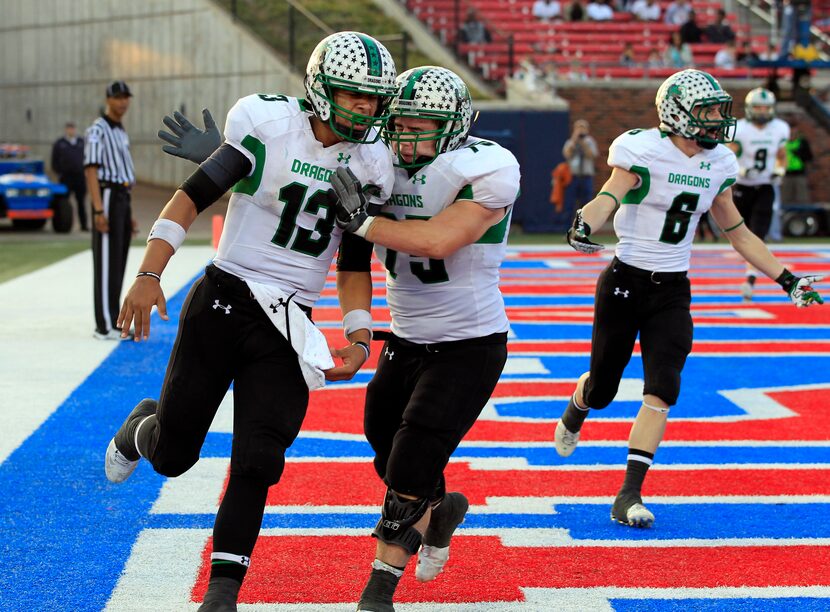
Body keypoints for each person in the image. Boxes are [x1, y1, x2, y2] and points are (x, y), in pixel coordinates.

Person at [103, 31, 399, 612]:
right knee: (174, 456)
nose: (366, 109)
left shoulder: (374, 161)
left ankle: (222, 591)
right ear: (320, 90)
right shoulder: (266, 124)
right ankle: (142, 428)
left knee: (260, 459)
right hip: (225, 298)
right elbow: (189, 198)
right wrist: (148, 274)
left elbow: (356, 264)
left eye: (374, 98)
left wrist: (360, 335)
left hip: (289, 320)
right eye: (354, 95)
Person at [556, 69, 823, 529]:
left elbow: (737, 232)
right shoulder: (642, 149)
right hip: (625, 282)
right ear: (677, 115)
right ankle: (578, 404)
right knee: (603, 389)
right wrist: (584, 221)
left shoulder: (717, 163)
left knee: (664, 386)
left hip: (673, 290)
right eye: (709, 111)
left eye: (721, 110)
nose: (719, 120)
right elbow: (609, 197)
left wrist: (786, 278)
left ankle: (629, 493)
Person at [329, 65, 521, 612]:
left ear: (454, 126)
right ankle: (442, 511)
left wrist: (363, 221)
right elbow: (352, 263)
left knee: (412, 456)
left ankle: (380, 586)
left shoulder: (482, 166)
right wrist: (359, 332)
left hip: (470, 341)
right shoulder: (375, 162)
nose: (409, 137)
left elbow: (439, 240)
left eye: (424, 126)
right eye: (402, 125)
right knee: (385, 451)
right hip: (405, 337)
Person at [84, 81, 138, 340]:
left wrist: (129, 212)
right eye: (118, 97)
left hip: (122, 197)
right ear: (108, 99)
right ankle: (104, 325)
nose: (123, 102)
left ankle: (114, 319)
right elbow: (91, 168)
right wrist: (97, 210)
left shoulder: (120, 130)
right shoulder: (98, 129)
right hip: (106, 195)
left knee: (118, 262)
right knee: (106, 262)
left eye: (126, 97)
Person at [728, 87, 790, 300]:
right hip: (743, 187)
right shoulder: (739, 128)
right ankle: (750, 269)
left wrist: (780, 170)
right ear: (749, 108)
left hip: (765, 186)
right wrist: (740, 169)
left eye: (766, 108)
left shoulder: (780, 128)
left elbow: (782, 155)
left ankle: (750, 279)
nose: (763, 111)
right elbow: (728, 153)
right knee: (739, 234)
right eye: (758, 107)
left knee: (757, 234)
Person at [51, 121, 87, 231]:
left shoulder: (81, 142)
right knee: (64, 202)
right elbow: (54, 160)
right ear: (66, 130)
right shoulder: (60, 143)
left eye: (72, 128)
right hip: (66, 177)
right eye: (69, 128)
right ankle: (64, 224)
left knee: (81, 201)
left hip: (79, 176)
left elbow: (87, 157)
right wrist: (60, 171)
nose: (71, 131)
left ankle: (84, 225)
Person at [562, 119, 598, 219]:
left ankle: (585, 228)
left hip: (586, 177)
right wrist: (574, 140)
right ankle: (568, 229)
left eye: (583, 128)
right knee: (570, 203)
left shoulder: (590, 142)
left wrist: (583, 143)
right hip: (573, 177)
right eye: (579, 128)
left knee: (586, 203)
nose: (581, 130)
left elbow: (592, 155)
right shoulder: (570, 142)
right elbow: (567, 154)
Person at [782, 122, 813, 206]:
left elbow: (809, 157)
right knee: (785, 198)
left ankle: (803, 216)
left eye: (794, 133)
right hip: (786, 174)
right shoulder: (783, 143)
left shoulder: (802, 143)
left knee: (802, 198)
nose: (792, 135)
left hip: (799, 174)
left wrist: (798, 153)